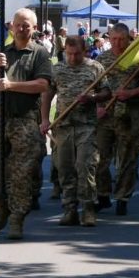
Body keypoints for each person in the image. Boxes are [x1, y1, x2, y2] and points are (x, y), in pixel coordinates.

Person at [0, 8, 52, 240]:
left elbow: (43, 85)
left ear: (34, 28)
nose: (22, 29)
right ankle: (3, 204)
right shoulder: (0, 52)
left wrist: (12, 86)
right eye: (18, 25)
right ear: (11, 26)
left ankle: (17, 219)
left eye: (27, 26)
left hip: (25, 121)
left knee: (20, 173)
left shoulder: (39, 53)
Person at [41, 35, 104, 226]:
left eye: (76, 53)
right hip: (63, 126)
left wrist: (92, 98)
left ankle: (88, 209)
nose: (73, 58)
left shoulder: (95, 67)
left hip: (87, 126)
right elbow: (47, 95)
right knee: (65, 169)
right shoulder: (58, 69)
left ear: (84, 50)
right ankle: (70, 210)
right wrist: (44, 119)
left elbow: (107, 92)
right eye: (69, 54)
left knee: (85, 167)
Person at [94, 23, 139, 215]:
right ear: (109, 38)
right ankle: (103, 195)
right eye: (113, 39)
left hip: (129, 115)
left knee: (128, 159)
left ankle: (122, 197)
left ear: (129, 39)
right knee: (99, 158)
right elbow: (93, 86)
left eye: (121, 39)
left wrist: (130, 93)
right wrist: (97, 106)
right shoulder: (102, 59)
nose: (117, 43)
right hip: (106, 116)